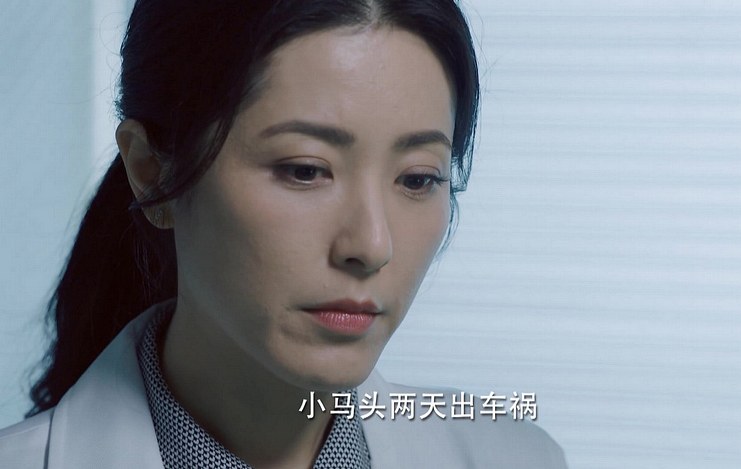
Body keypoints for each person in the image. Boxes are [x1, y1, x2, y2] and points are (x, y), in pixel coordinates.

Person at [0, 0, 567, 467]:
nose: (372, 247)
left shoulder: (517, 458)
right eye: (305, 170)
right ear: (152, 172)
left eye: (418, 179)